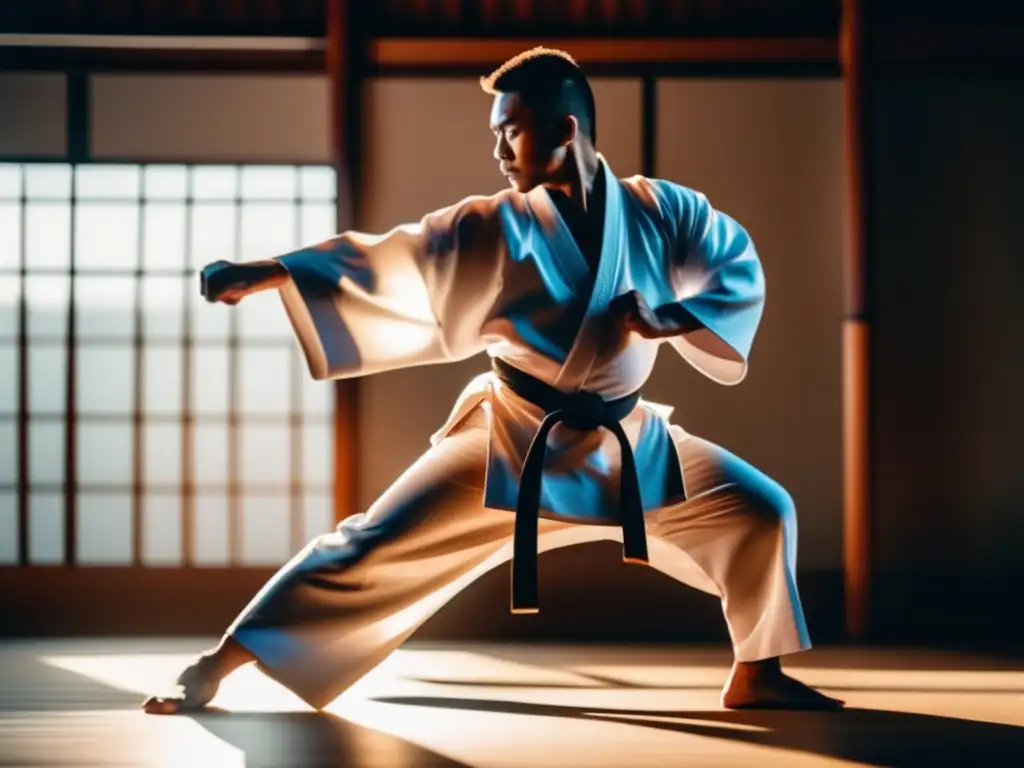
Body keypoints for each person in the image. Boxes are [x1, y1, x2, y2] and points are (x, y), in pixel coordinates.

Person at [144, 47, 842, 715]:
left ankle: (758, 674)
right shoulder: (495, 224)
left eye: (510, 132)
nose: (499, 152)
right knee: (370, 544)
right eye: (496, 135)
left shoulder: (660, 211)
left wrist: (671, 317)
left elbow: (735, 264)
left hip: (629, 440)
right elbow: (394, 261)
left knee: (761, 509)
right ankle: (220, 662)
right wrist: (268, 273)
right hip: (512, 439)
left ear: (565, 131)